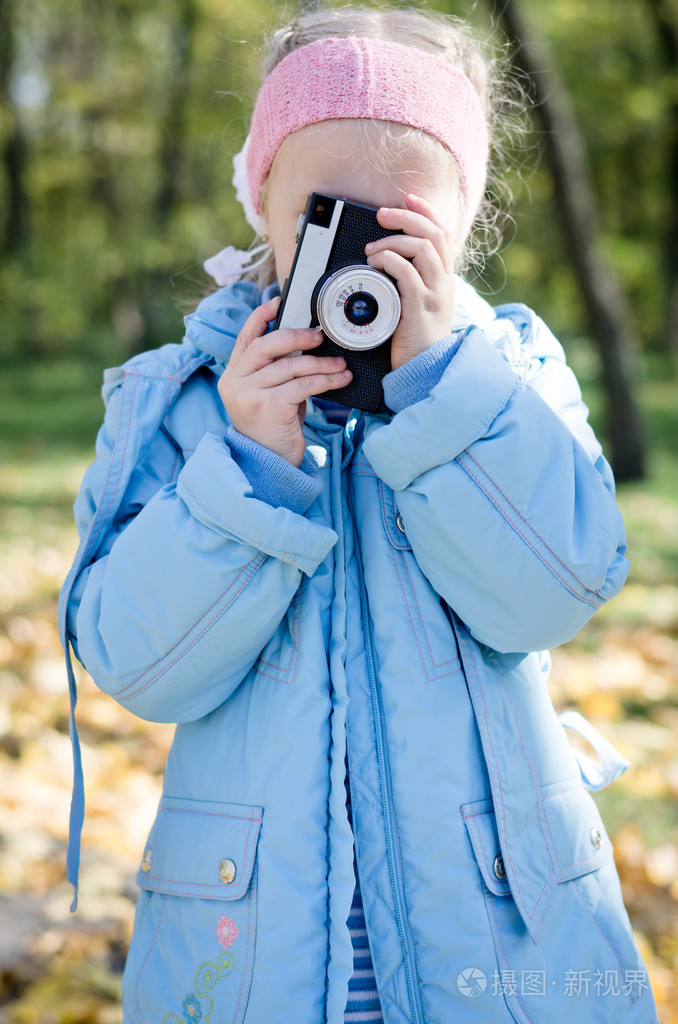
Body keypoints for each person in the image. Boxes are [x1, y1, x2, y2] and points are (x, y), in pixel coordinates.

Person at [59, 5, 659, 1023]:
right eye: (328, 221)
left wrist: (443, 400)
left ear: (464, 218)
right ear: (262, 200)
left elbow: (552, 596)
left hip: (502, 949)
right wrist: (247, 466)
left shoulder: (508, 379)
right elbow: (135, 665)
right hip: (251, 960)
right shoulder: (185, 400)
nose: (362, 262)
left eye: (401, 231)